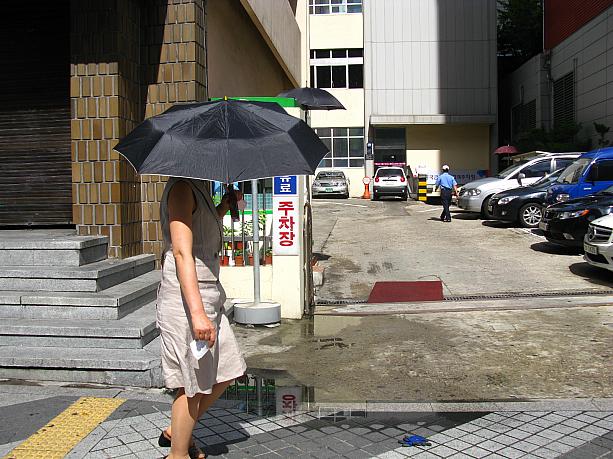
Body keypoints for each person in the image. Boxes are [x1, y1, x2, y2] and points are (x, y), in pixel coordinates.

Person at [157, 178, 247, 459]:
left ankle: (177, 429)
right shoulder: (182, 188)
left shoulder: (200, 188)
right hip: (187, 301)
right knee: (192, 385)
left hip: (209, 295)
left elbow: (200, 230)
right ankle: (178, 454)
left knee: (227, 371)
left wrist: (221, 208)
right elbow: (182, 252)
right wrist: (196, 314)